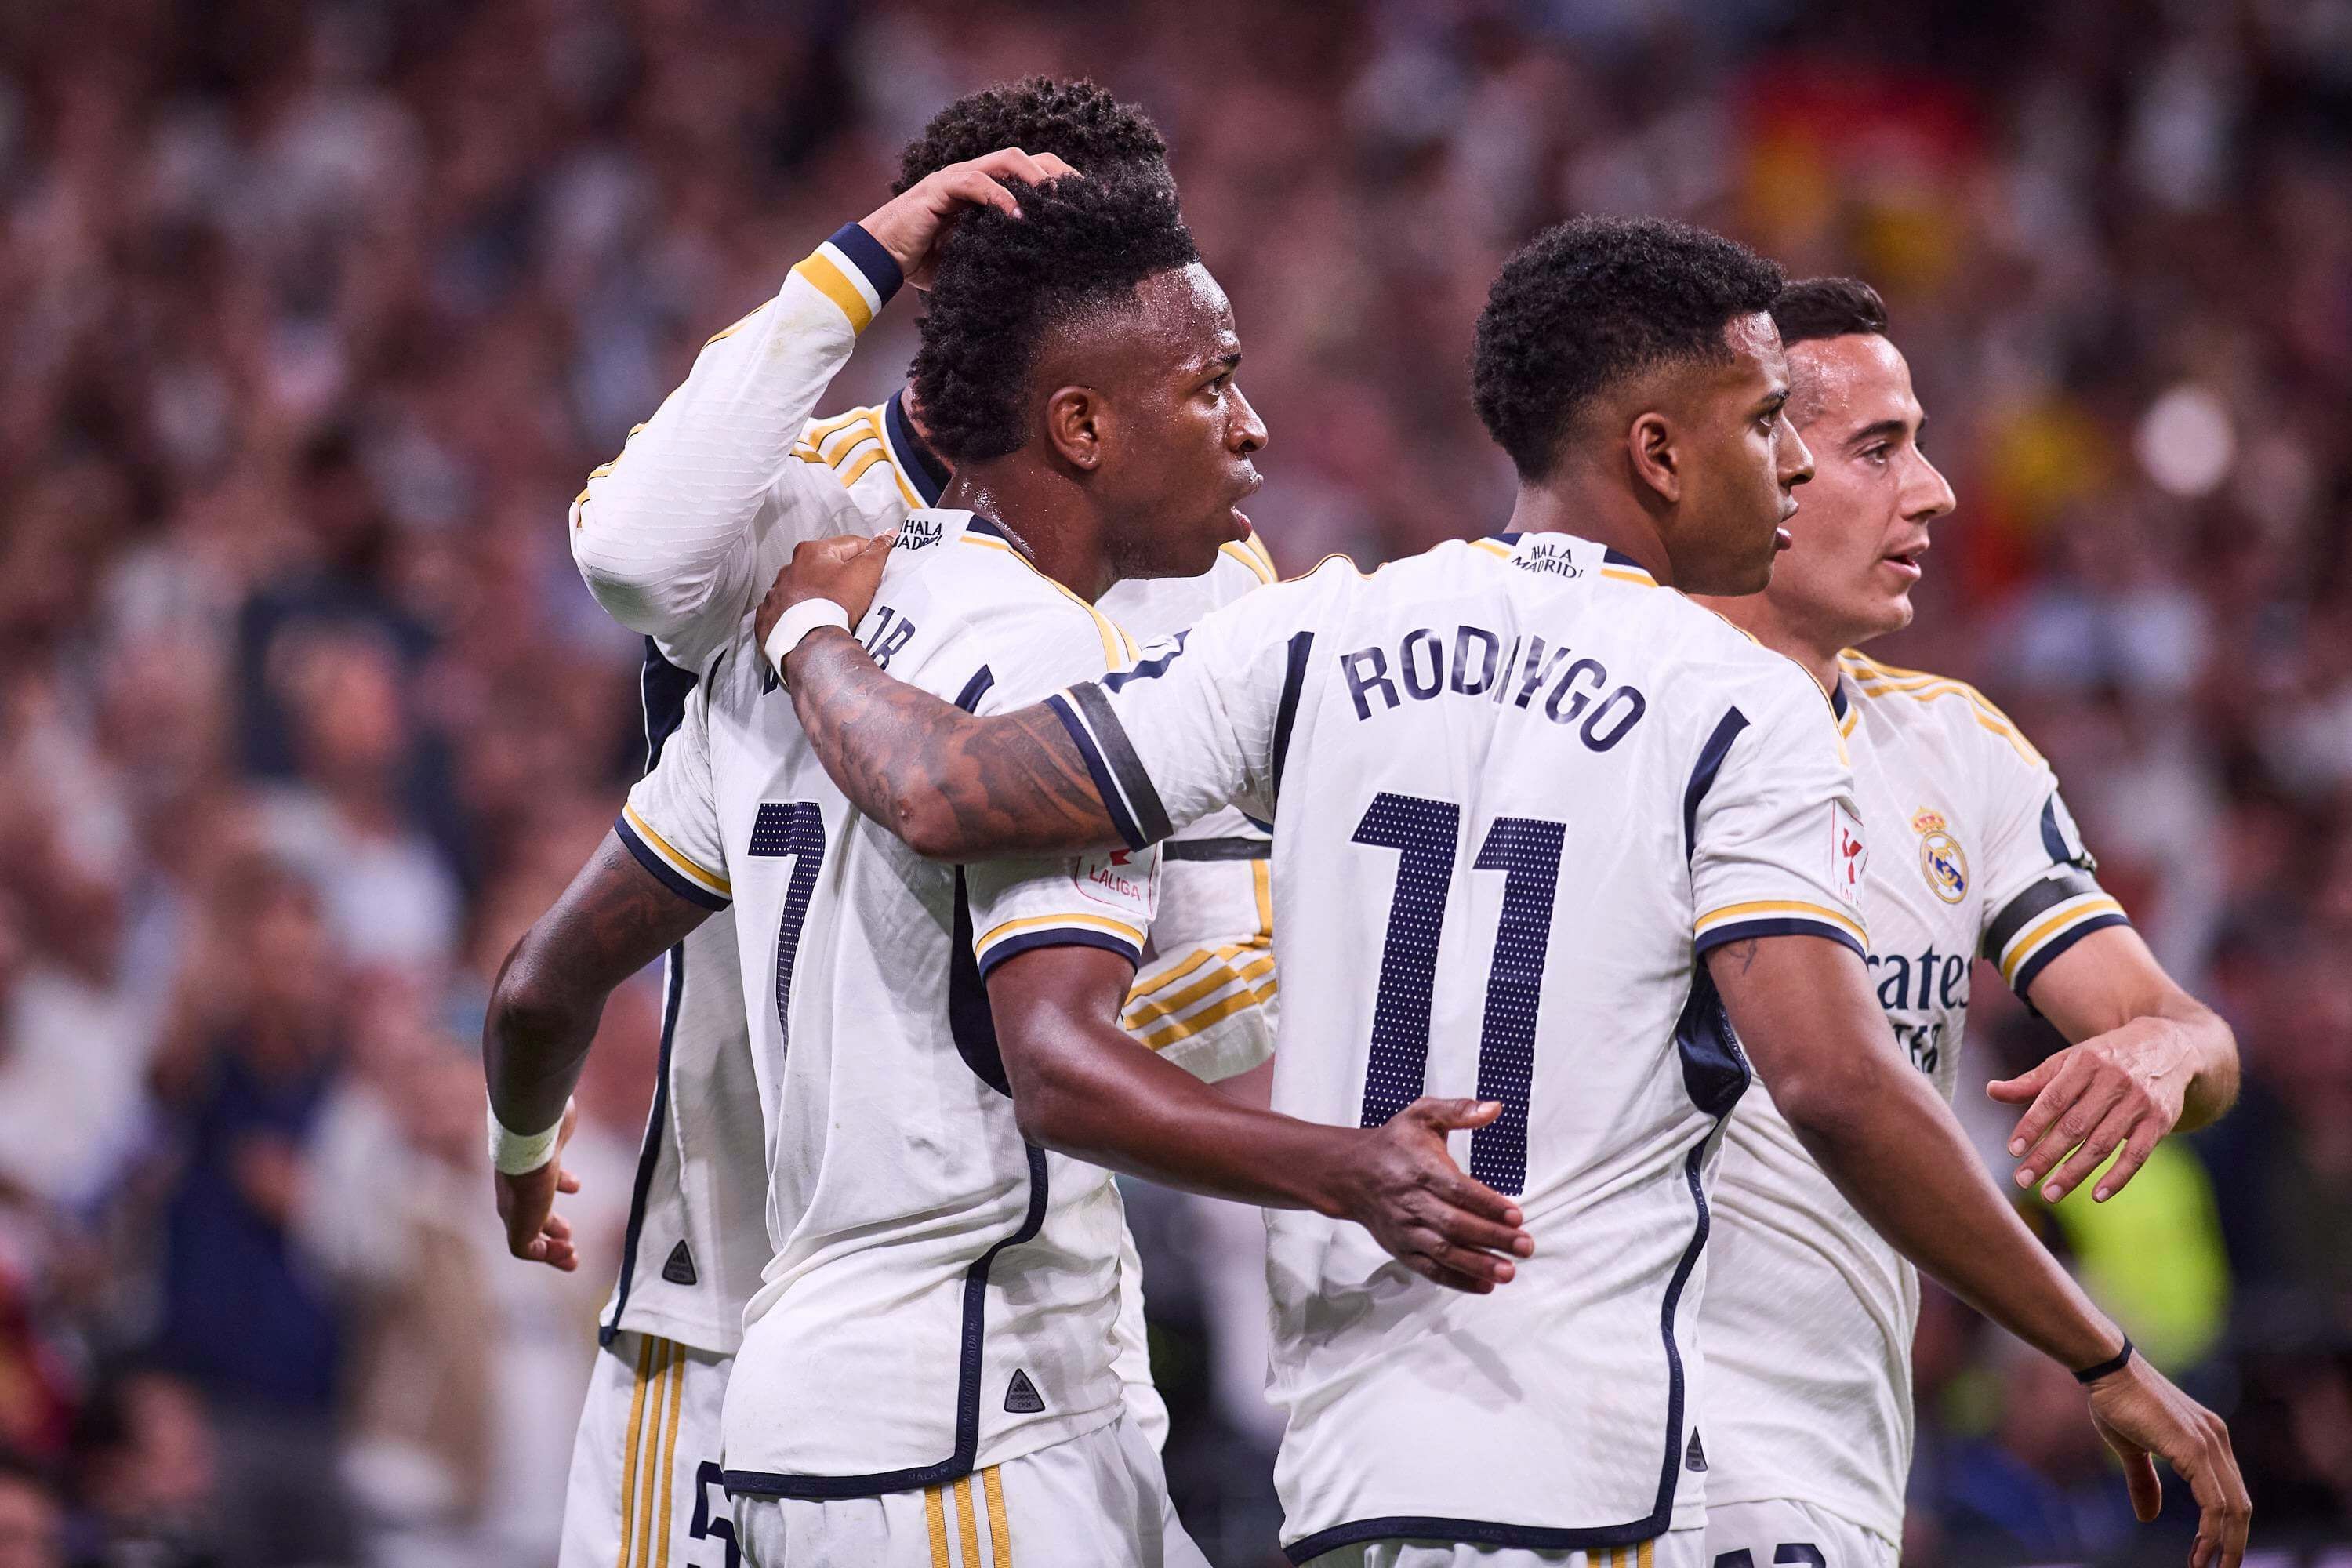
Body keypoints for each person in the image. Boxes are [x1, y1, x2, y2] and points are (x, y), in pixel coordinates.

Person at [757, 216, 2251, 1568]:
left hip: (1350, 1480)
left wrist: (814, 639)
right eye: (1765, 429)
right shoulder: (1734, 704)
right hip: (1595, 1476)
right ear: (1660, 455)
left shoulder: (1324, 636)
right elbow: (1835, 1083)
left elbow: (946, 789)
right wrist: (2103, 1356)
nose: (1789, 468)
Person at [488, 166, 1522, 1566]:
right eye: (1214, 382)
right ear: (1083, 424)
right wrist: (1350, 1169)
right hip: (958, 1407)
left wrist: (521, 1156)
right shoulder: (1050, 663)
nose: (1252, 422)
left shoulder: (792, 615)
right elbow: (1060, 1065)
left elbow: (539, 989)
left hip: (813, 1388)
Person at [1684, 276, 2241, 1568]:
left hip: (1851, 1452)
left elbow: (2189, 1036)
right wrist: (2091, 1348)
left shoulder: (1958, 750)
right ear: (1754, 463)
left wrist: (2164, 1051)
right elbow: (1834, 1087)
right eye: (1878, 449)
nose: (1934, 490)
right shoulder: (1627, 724)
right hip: (1669, 1443)